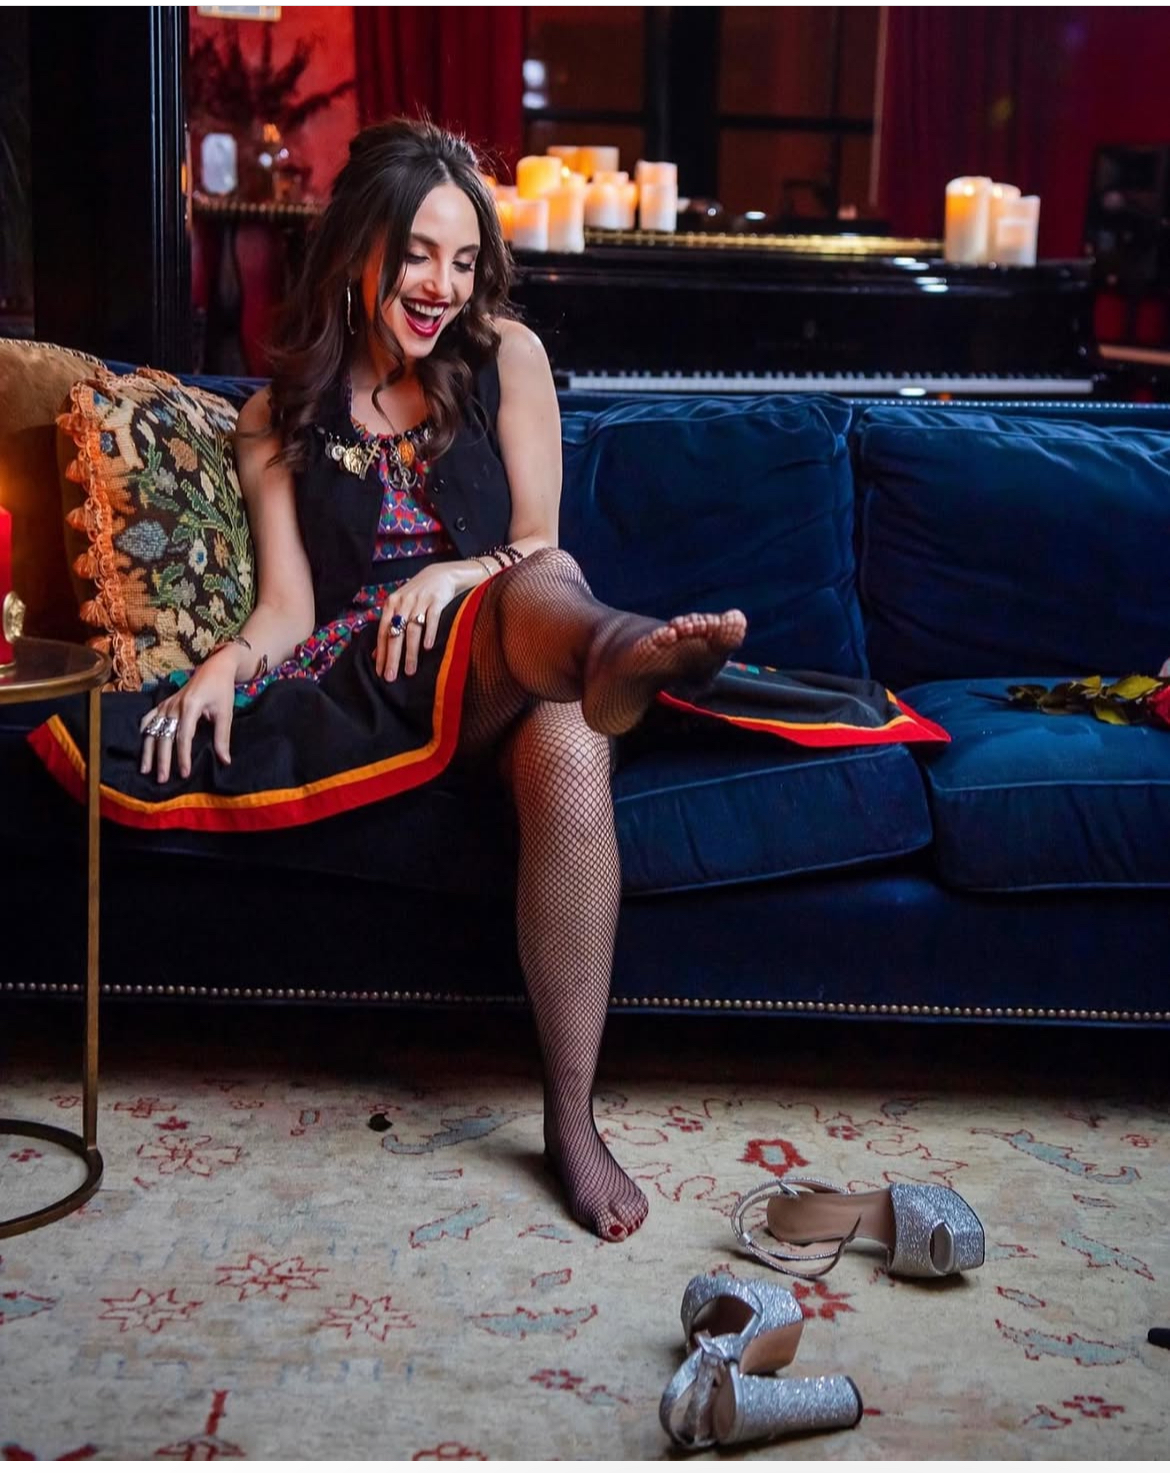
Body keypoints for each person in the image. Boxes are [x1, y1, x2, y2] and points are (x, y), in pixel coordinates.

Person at [93, 119, 746, 1242]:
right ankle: (619, 655)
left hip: (514, 649)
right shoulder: (279, 415)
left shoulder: (508, 359)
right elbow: (287, 610)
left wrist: (455, 573)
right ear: (359, 250)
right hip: (375, 685)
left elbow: (535, 542)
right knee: (569, 689)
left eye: (462, 259)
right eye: (417, 256)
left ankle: (572, 1119)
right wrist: (220, 668)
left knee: (563, 717)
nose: (442, 285)